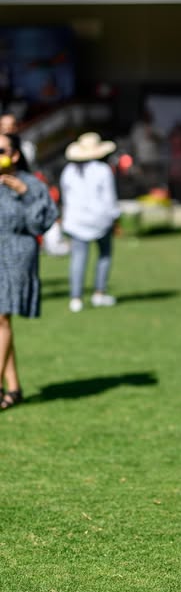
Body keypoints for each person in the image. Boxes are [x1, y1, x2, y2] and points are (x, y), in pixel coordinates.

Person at [0, 132, 58, 410]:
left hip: (16, 254)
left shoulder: (31, 184)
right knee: (1, 322)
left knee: (1, 318)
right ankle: (14, 388)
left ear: (14, 154)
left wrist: (24, 196)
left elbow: (42, 223)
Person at [60, 132, 120, 313]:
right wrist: (115, 217)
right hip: (100, 219)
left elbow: (65, 197)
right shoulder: (102, 170)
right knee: (104, 255)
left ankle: (76, 297)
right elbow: (110, 198)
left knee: (78, 258)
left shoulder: (68, 171)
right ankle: (99, 292)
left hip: (76, 221)